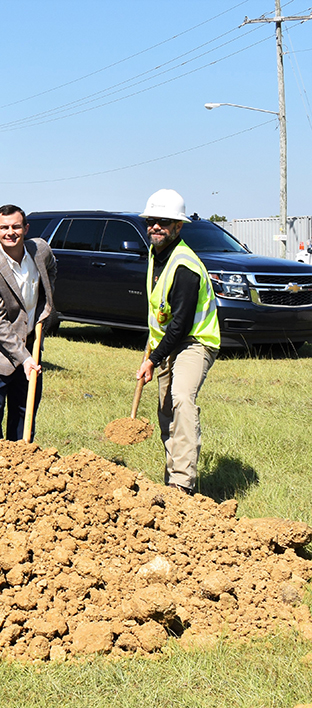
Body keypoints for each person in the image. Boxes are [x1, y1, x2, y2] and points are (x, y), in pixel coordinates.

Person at [134, 189, 219, 494]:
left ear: (178, 226)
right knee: (166, 410)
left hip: (196, 341)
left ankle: (183, 485)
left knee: (182, 399)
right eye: (152, 220)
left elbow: (181, 325)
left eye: (164, 222)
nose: (156, 226)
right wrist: (154, 351)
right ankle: (173, 477)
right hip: (168, 341)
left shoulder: (185, 266)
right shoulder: (156, 255)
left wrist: (153, 359)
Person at [0, 204, 57, 441]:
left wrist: (45, 305)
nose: (10, 232)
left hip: (31, 342)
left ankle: (21, 464)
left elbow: (51, 270)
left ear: (26, 228)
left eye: (16, 226)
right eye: (4, 227)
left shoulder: (40, 250)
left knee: (24, 411)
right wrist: (25, 358)